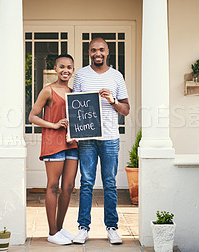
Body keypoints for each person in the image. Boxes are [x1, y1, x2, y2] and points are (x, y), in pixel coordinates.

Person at [72, 38, 130, 244]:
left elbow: (126, 109)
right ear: (89, 52)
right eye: (94, 50)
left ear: (108, 52)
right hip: (87, 137)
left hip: (110, 138)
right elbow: (74, 107)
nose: (98, 53)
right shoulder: (80, 75)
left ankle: (112, 228)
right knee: (86, 183)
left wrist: (112, 100)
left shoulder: (116, 76)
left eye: (101, 50)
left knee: (110, 183)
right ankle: (83, 228)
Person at [29, 54, 78, 245]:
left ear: (73, 70)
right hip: (53, 143)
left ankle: (59, 228)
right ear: (55, 69)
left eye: (70, 67)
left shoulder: (74, 93)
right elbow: (32, 116)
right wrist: (54, 125)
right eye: (62, 67)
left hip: (71, 143)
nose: (66, 70)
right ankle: (51, 232)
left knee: (68, 187)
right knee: (53, 186)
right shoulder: (47, 91)